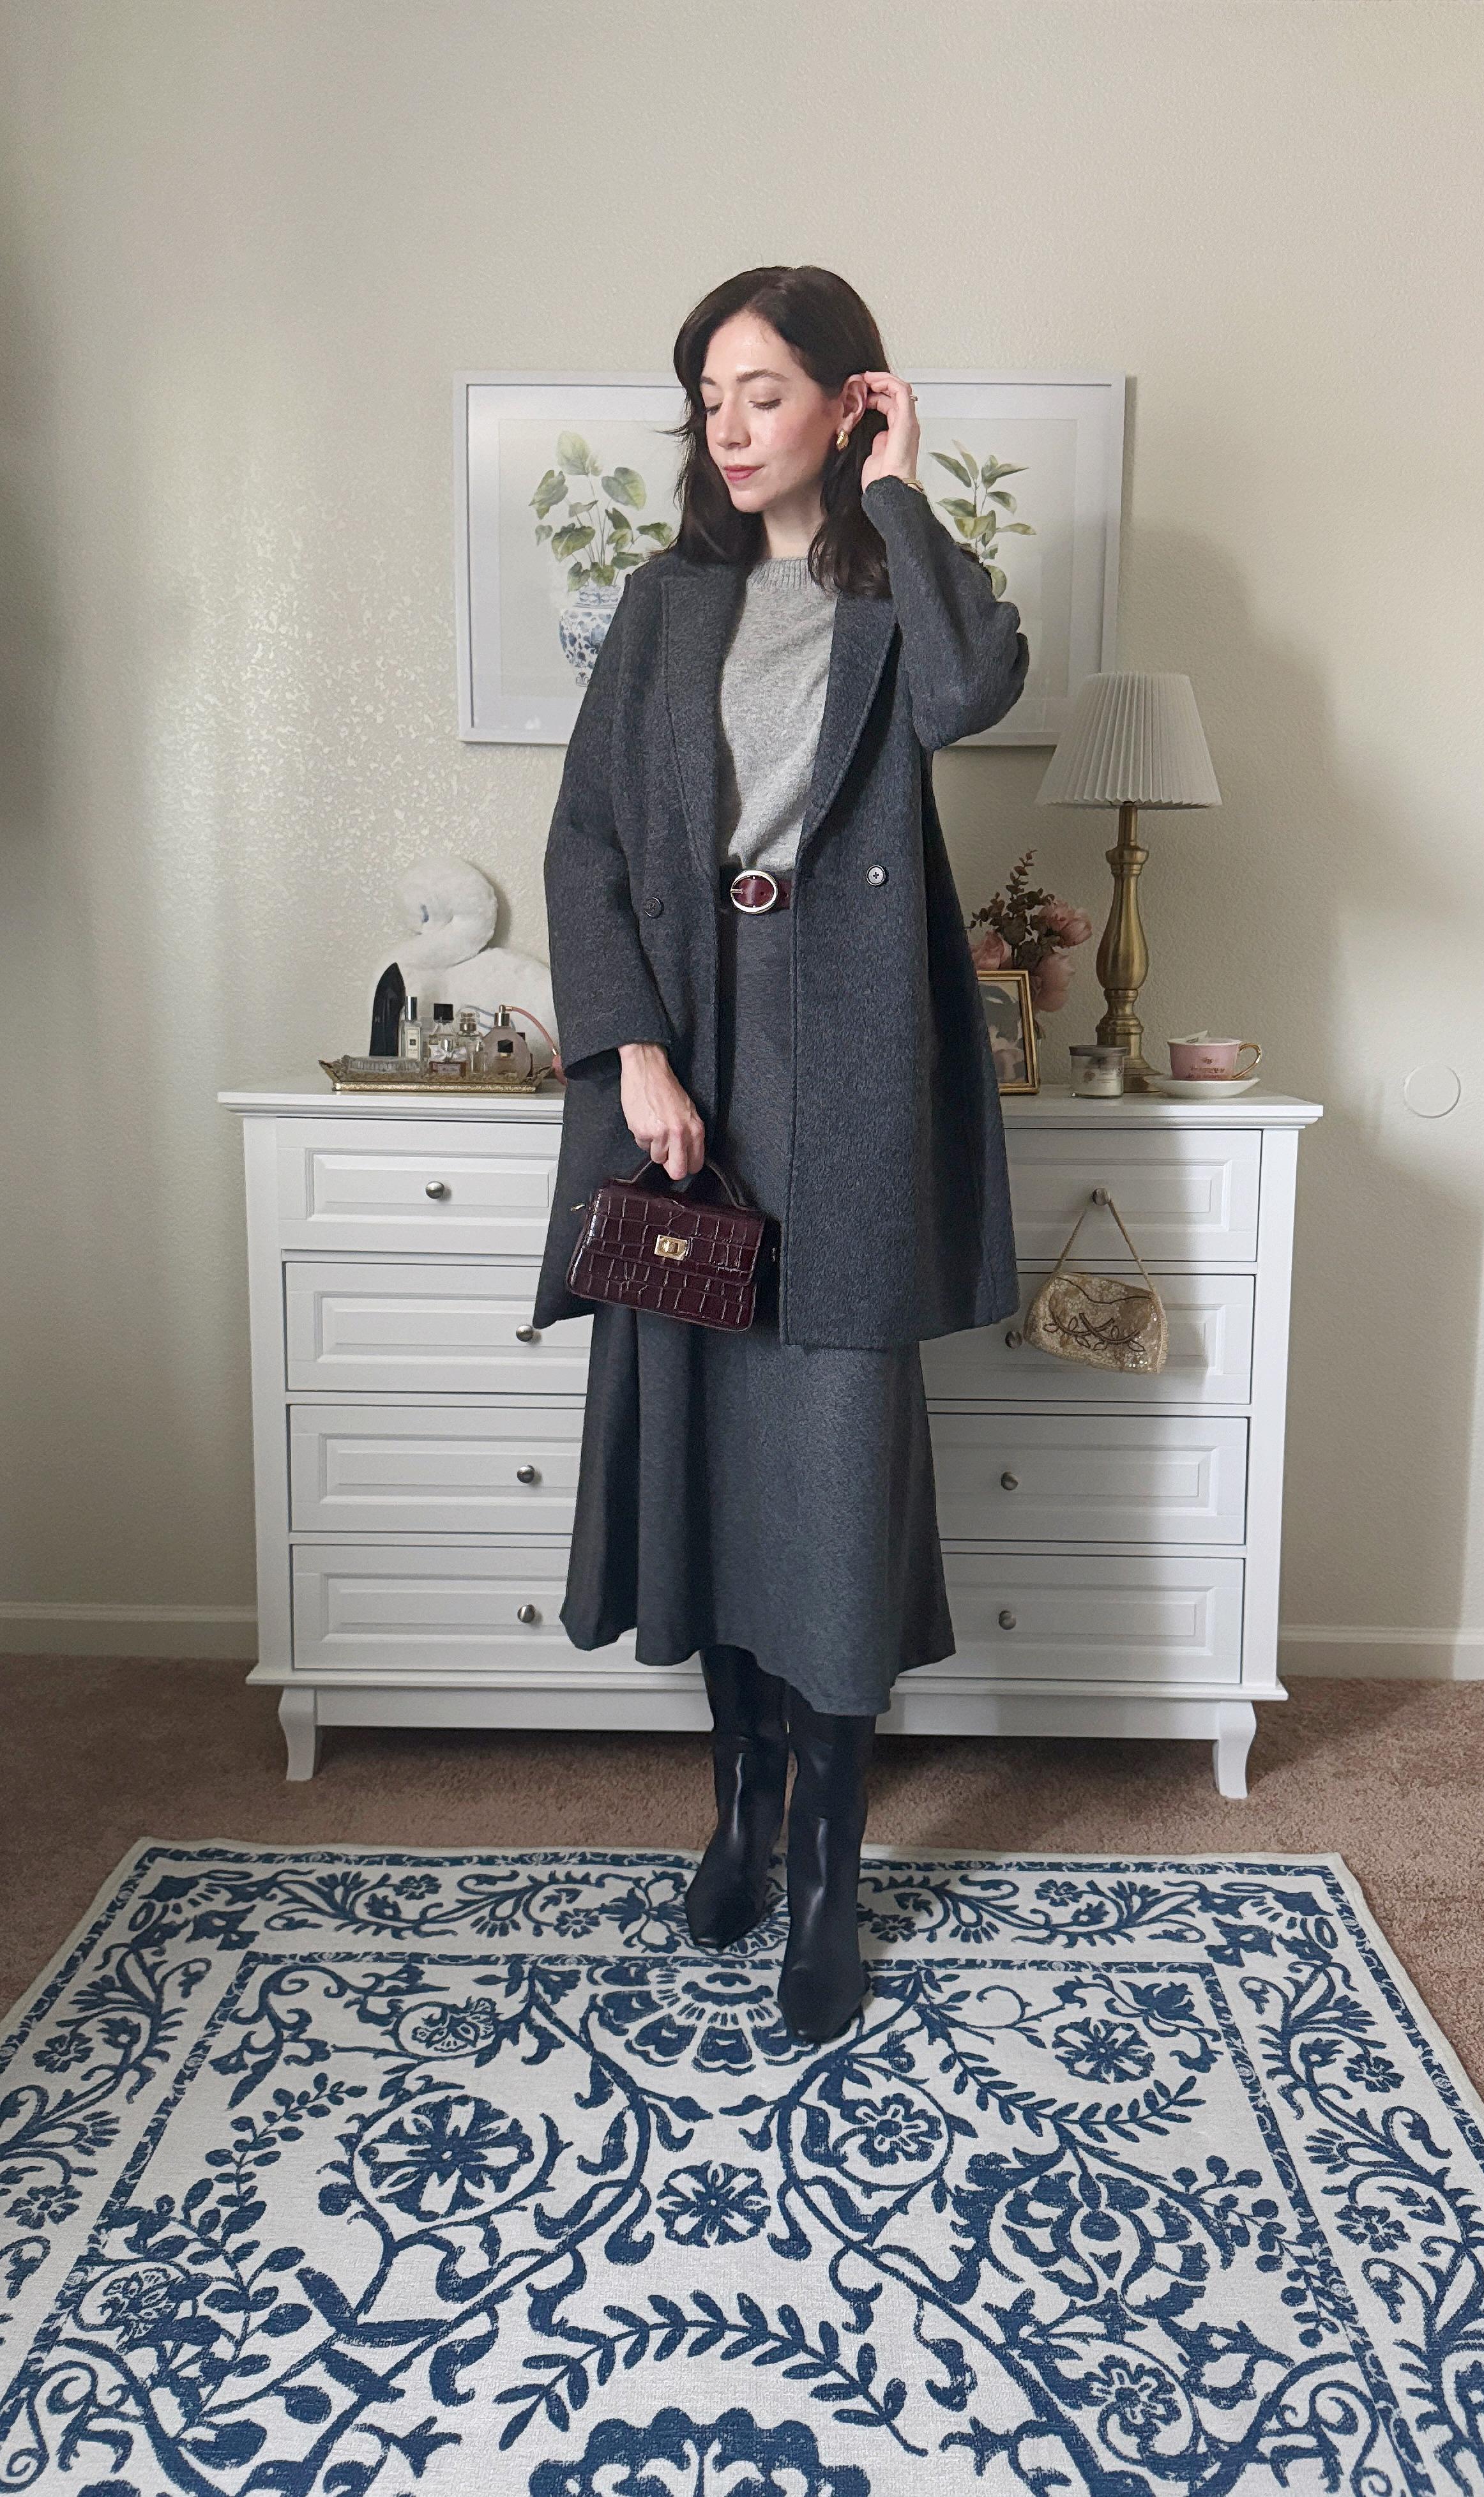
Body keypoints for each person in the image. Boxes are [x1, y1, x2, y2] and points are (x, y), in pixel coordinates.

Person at [534, 265, 1030, 2045]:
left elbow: (972, 694)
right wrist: (636, 1052)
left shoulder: (902, 592)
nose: (732, 429)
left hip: (854, 1065)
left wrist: (906, 490)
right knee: (701, 1452)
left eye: (766, 392)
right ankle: (739, 1806)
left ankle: (829, 1865)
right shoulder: (666, 605)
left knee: (830, 1470)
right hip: (690, 1056)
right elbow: (586, 843)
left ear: (848, 399)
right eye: (710, 399)